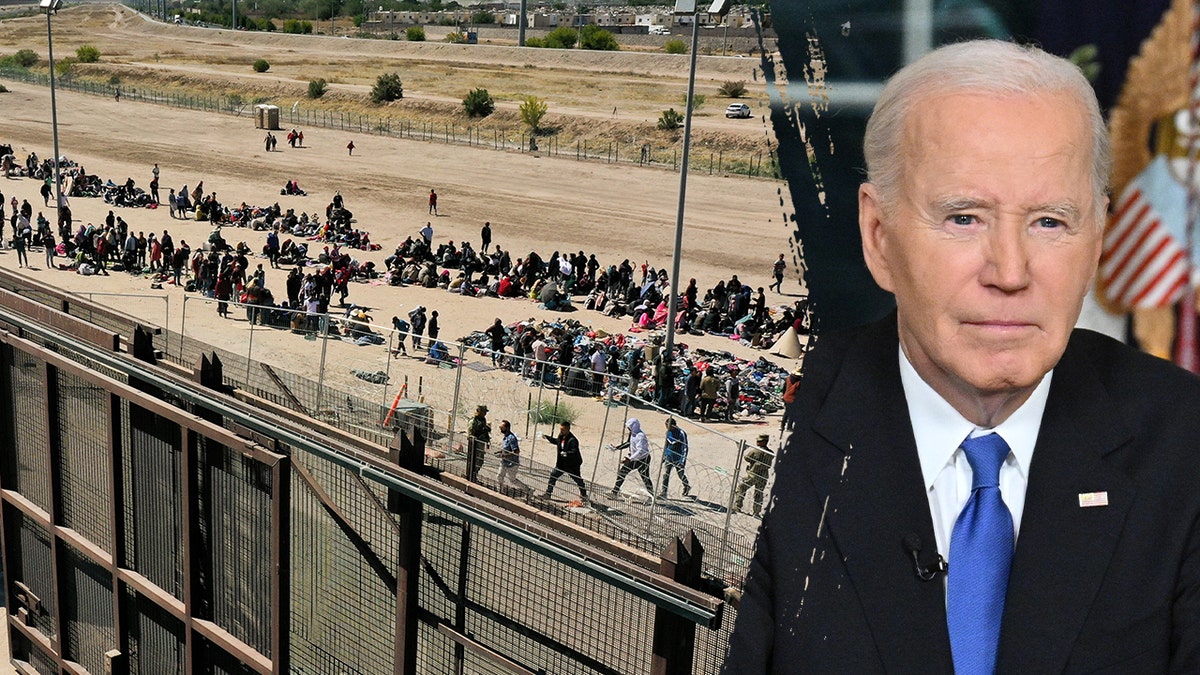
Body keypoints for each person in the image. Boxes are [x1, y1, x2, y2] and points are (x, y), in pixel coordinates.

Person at [725, 40, 1200, 674]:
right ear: (880, 238)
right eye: (964, 218)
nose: (1010, 271)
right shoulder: (786, 438)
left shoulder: (1186, 444)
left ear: (1098, 243)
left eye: (1050, 222)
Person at [540, 421, 588, 503]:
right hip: (561, 464)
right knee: (553, 476)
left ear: (568, 429)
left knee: (578, 479)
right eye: (560, 429)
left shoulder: (573, 440)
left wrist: (566, 453)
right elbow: (557, 441)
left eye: (563, 430)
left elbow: (574, 452)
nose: (561, 431)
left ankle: (584, 495)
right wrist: (547, 437)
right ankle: (548, 494)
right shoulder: (561, 436)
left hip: (572, 465)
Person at [608, 418, 654, 498]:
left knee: (645, 477)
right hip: (633, 458)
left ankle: (651, 496)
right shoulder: (632, 433)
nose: (628, 428)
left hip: (643, 459)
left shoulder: (640, 436)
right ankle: (614, 492)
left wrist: (630, 459)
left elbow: (640, 451)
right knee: (622, 472)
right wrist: (617, 448)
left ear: (634, 426)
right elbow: (628, 443)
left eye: (629, 426)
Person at [732, 433, 772, 517]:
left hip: (753, 474)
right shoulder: (770, 453)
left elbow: (747, 458)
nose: (757, 442)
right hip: (763, 475)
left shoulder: (756, 451)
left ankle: (737, 506)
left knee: (741, 488)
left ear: (764, 442)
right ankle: (756, 512)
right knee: (759, 493)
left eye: (759, 441)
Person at [660, 418, 692, 499]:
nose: (667, 428)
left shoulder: (681, 433)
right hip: (669, 457)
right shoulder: (668, 433)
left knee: (680, 474)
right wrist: (664, 456)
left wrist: (682, 461)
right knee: (665, 474)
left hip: (678, 459)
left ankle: (686, 485)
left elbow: (684, 448)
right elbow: (666, 445)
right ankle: (664, 492)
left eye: (668, 426)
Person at [495, 420, 530, 493]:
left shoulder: (512, 438)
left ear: (507, 428)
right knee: (499, 476)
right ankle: (500, 491)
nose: (500, 428)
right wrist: (499, 452)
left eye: (502, 427)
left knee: (512, 480)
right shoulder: (505, 437)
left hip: (512, 464)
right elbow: (506, 449)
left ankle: (527, 489)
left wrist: (504, 455)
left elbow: (516, 451)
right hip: (504, 462)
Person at [466, 404, 490, 482]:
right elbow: (470, 434)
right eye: (484, 412)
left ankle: (474, 475)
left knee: (480, 461)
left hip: (481, 443)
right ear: (480, 411)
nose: (485, 414)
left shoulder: (483, 419)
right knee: (473, 461)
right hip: (475, 445)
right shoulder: (473, 421)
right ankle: (470, 476)